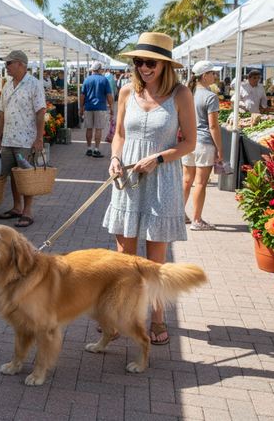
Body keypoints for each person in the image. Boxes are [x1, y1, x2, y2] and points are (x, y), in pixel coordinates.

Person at [102, 32, 196, 346]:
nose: (144, 67)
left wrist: (157, 157)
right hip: (128, 180)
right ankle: (120, 315)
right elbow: (118, 135)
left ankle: (157, 318)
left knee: (155, 259)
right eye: (139, 61)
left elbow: (190, 143)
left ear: (165, 65)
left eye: (150, 62)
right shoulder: (127, 90)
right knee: (124, 256)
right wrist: (115, 157)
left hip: (162, 180)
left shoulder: (181, 94)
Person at [0, 50, 46, 228]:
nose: (5, 67)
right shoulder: (7, 86)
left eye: (8, 63)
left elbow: (41, 112)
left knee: (26, 176)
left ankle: (27, 212)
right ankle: (16, 207)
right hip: (8, 138)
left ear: (19, 64)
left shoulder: (34, 84)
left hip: (26, 139)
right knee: (14, 176)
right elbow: (2, 113)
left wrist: (39, 138)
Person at [182, 61, 224, 230]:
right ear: (204, 75)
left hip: (188, 142)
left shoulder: (188, 94)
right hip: (204, 142)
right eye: (213, 73)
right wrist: (220, 148)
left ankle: (178, 215)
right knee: (200, 183)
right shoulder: (210, 97)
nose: (215, 76)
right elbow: (213, 126)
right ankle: (197, 221)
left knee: (186, 180)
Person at [79, 65, 114, 158]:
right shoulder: (104, 80)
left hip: (88, 107)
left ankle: (89, 148)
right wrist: (112, 108)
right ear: (100, 70)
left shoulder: (87, 80)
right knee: (99, 128)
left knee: (89, 128)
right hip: (100, 107)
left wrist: (80, 108)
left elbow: (82, 96)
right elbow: (109, 96)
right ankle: (96, 149)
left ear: (92, 70)